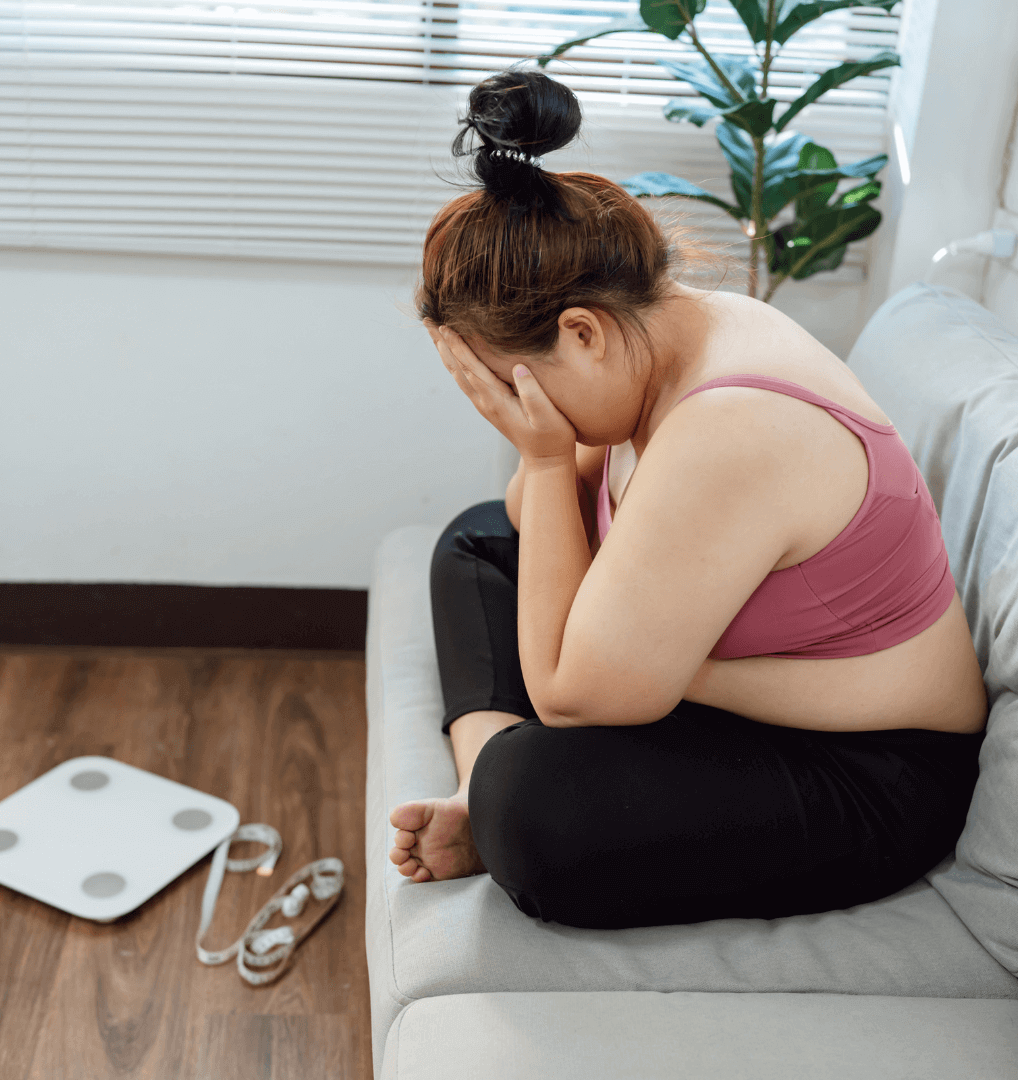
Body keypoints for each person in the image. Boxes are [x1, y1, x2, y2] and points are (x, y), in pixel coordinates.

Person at [388, 67, 989, 931]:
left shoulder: (731, 426)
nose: (525, 416)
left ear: (581, 333)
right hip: (744, 691)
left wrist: (553, 461)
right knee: (477, 543)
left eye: (516, 387)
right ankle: (473, 792)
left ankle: (490, 797)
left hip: (869, 770)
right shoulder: (663, 327)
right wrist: (551, 460)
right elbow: (526, 520)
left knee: (532, 801)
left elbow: (566, 696)